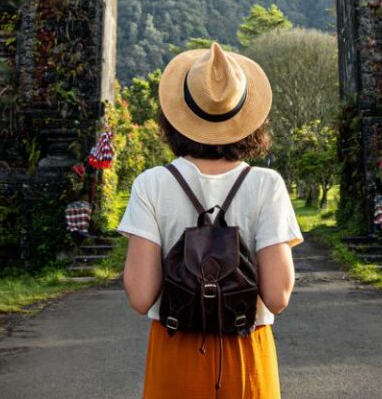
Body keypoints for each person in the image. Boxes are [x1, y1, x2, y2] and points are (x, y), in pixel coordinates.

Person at [117, 43, 304, 398]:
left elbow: (141, 297)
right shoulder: (267, 185)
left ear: (176, 115)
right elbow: (278, 296)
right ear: (247, 116)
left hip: (175, 349)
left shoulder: (152, 184)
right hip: (246, 351)